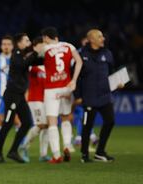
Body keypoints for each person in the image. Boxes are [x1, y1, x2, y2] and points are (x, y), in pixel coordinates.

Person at [0, 33, 44, 163]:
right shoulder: (15, 54)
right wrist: (35, 52)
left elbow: (35, 61)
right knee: (7, 123)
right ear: (19, 43)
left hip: (19, 95)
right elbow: (23, 65)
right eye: (26, 40)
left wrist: (43, 53)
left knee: (27, 123)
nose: (29, 42)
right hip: (12, 95)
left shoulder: (22, 54)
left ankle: (13, 151)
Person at [79, 29, 122, 163]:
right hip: (89, 96)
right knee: (87, 126)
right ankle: (84, 154)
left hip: (105, 96)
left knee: (110, 121)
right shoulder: (82, 55)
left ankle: (100, 152)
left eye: (102, 36)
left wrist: (118, 82)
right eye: (99, 36)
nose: (103, 38)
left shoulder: (108, 54)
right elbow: (75, 76)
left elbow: (112, 72)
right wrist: (78, 95)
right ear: (91, 39)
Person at [40, 27, 82, 163]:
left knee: (52, 121)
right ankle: (67, 146)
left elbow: (35, 57)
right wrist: (74, 80)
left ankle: (57, 155)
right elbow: (79, 61)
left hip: (51, 88)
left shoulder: (45, 49)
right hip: (66, 87)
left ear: (46, 37)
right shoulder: (69, 46)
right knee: (66, 118)